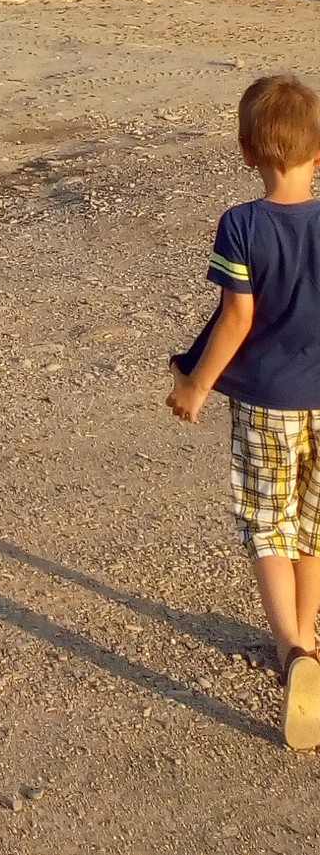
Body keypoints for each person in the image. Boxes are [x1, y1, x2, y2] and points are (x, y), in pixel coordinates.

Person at [169, 75, 320, 747]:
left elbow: (237, 315)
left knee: (268, 522)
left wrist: (197, 385)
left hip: (267, 404)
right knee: (314, 520)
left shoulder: (242, 224)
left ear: (244, 150)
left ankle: (289, 647)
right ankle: (311, 630)